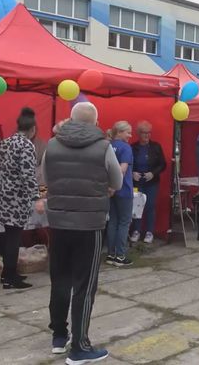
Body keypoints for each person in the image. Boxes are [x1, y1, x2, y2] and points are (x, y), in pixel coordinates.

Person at [43, 102, 122, 363]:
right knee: (85, 287)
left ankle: (58, 337)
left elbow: (45, 177)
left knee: (60, 279)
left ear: (71, 119)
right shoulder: (103, 147)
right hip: (89, 224)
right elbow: (117, 182)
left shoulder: (52, 144)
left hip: (59, 223)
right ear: (96, 121)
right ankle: (80, 347)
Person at [0, 107, 44, 289]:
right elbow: (28, 174)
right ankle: (9, 277)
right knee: (14, 238)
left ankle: (9, 273)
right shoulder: (26, 145)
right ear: (32, 129)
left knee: (10, 236)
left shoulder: (5, 142)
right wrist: (36, 197)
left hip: (4, 196)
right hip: (17, 198)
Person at [130, 120, 166, 244]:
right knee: (137, 206)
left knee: (150, 206)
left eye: (149, 133)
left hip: (151, 182)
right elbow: (127, 163)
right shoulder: (132, 147)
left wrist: (153, 173)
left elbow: (163, 164)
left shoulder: (156, 147)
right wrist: (132, 173)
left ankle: (149, 231)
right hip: (137, 182)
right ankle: (136, 230)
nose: (147, 136)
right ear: (139, 134)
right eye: (144, 133)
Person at [107, 121, 134, 266]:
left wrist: (110, 187)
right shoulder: (126, 148)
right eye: (128, 132)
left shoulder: (108, 145)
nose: (130, 135)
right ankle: (120, 256)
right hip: (123, 189)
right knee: (124, 222)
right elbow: (122, 170)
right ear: (119, 132)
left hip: (110, 190)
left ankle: (111, 254)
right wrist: (115, 186)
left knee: (112, 221)